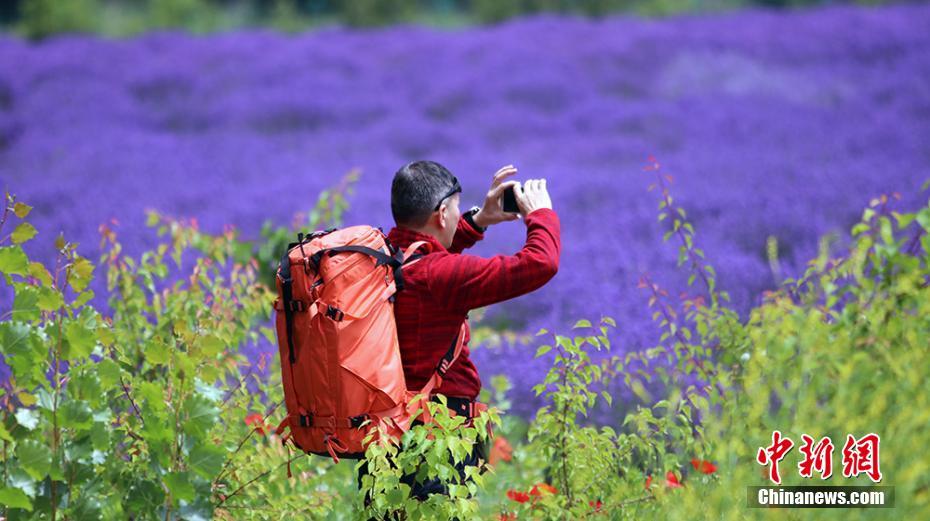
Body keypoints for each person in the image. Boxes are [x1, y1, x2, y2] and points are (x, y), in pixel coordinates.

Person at [356, 159, 561, 501]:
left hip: (382, 440)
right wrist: (540, 215)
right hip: (437, 444)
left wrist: (479, 221)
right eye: (456, 209)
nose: (458, 214)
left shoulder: (380, 259)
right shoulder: (440, 276)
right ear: (440, 215)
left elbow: (424, 256)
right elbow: (541, 264)